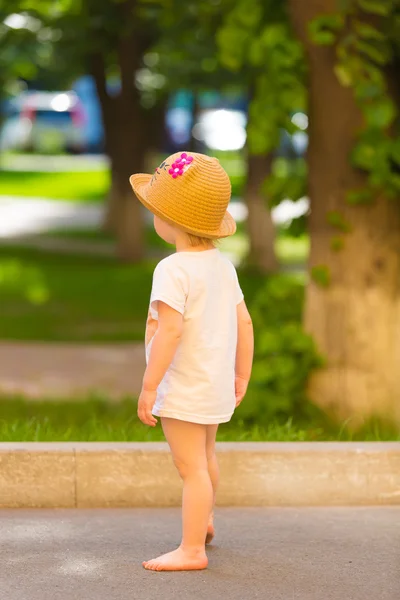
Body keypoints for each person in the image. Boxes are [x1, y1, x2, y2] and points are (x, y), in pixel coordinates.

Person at [130, 151, 254, 572]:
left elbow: (170, 331)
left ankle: (191, 550)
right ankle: (206, 520)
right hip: (214, 383)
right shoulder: (222, 266)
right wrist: (241, 374)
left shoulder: (172, 269)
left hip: (184, 386)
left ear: (170, 220)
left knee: (191, 469)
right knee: (207, 458)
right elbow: (244, 321)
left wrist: (149, 386)